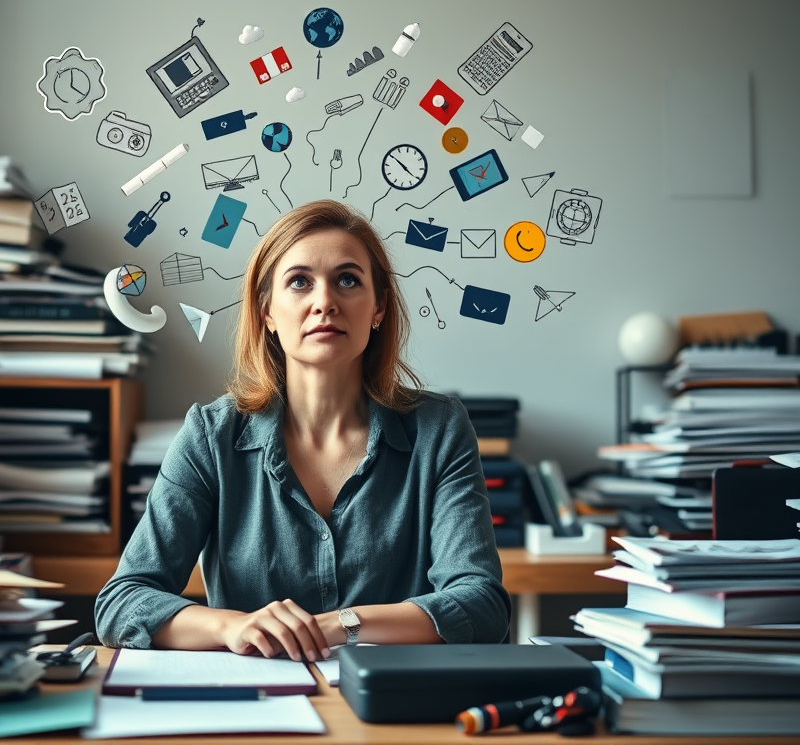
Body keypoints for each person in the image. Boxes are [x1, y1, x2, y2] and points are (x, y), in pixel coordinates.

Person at [95, 200, 511, 661]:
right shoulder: (211, 435)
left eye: (348, 280)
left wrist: (339, 626)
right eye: (299, 282)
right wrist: (235, 626)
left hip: (393, 706)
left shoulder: (439, 429)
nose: (325, 302)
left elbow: (481, 604)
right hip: (258, 712)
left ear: (378, 308)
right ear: (267, 311)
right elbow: (122, 602)